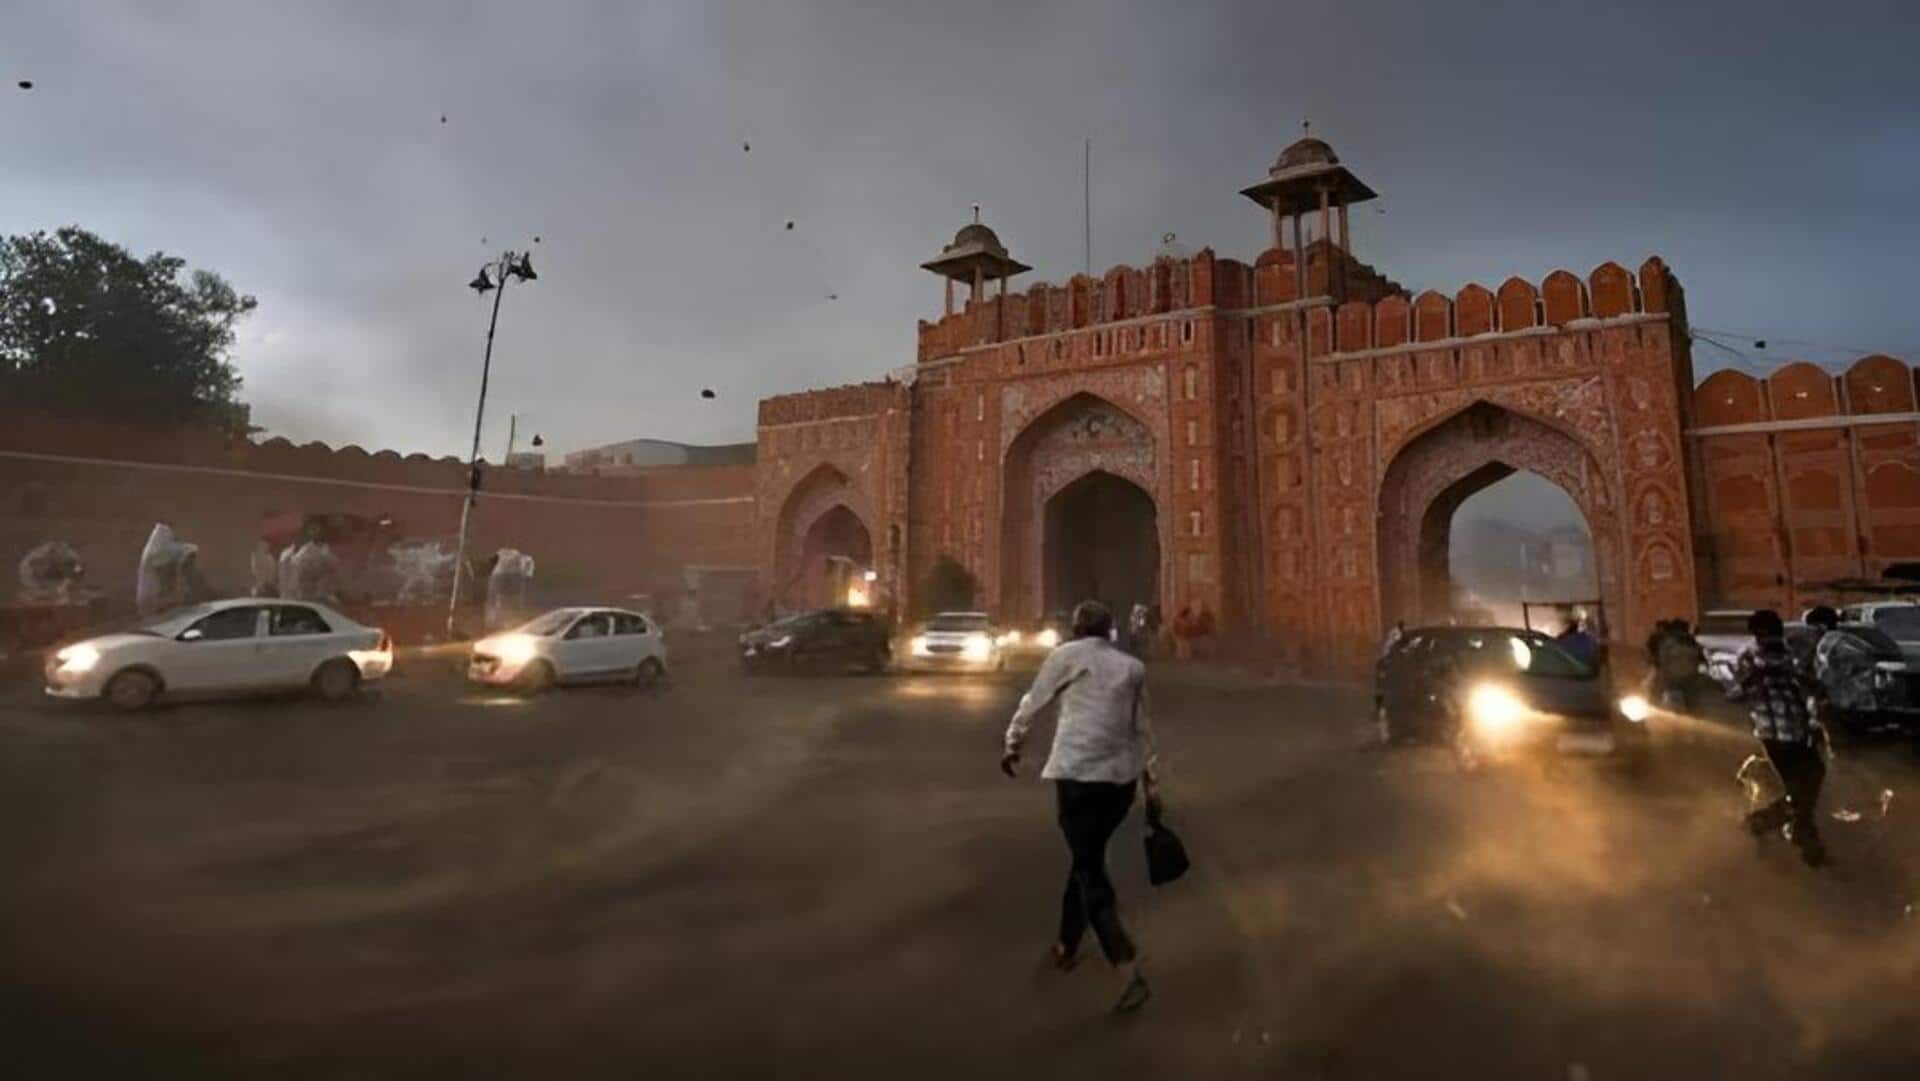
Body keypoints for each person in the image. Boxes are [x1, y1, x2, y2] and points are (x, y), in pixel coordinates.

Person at [1001, 600, 1159, 1014]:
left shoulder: (1065, 657)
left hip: (1077, 778)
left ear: (1075, 629)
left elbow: (1034, 701)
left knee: (1089, 868)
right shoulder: (1132, 668)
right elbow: (1143, 730)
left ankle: (1125, 964)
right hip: (1120, 785)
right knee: (1086, 855)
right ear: (1110, 632)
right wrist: (1152, 784)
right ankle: (1067, 943)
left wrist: (1012, 744)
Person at [1727, 609, 1827, 867]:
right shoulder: (1748, 658)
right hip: (1771, 736)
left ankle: (1764, 823)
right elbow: (1734, 693)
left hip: (1800, 732)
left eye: (1772, 632)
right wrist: (1756, 677)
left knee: (1811, 783)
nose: (1768, 638)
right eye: (1763, 634)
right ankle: (1804, 840)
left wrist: (1793, 674)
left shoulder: (1795, 655)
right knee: (1797, 790)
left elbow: (1817, 688)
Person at [1806, 605, 1876, 727]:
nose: (1810, 633)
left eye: (1811, 628)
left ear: (1821, 627)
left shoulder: (1826, 644)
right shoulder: (1851, 640)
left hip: (1844, 705)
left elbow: (1826, 678)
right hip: (1865, 702)